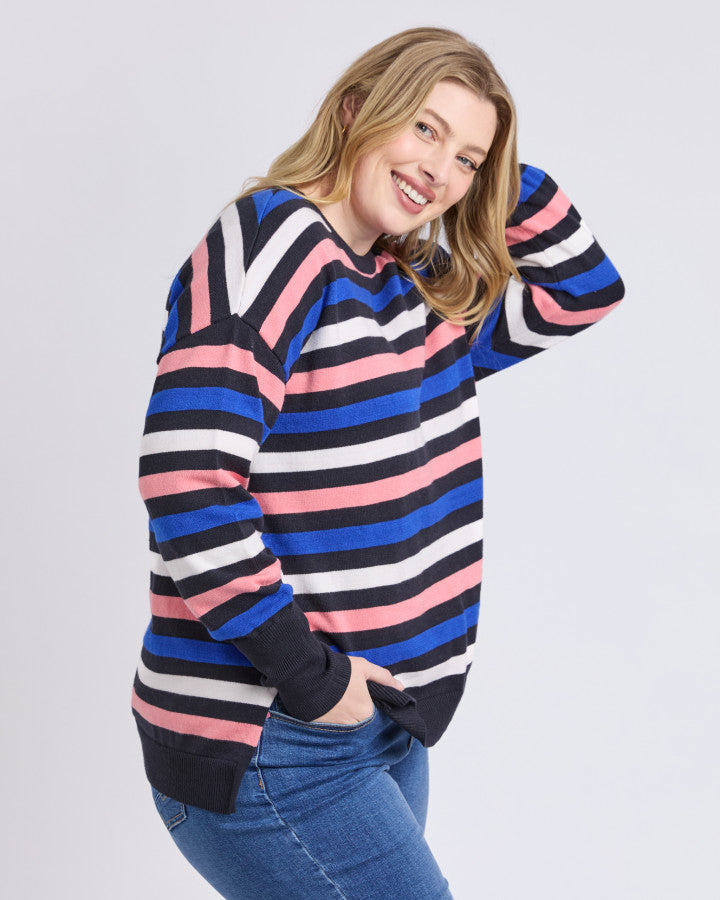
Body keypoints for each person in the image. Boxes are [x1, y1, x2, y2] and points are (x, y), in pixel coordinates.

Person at [132, 26, 624, 900]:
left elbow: (583, 287)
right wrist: (311, 680)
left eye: (468, 159)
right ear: (357, 108)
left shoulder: (414, 283)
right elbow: (187, 478)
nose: (440, 171)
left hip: (382, 722)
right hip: (274, 733)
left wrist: (494, 170)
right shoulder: (273, 243)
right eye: (424, 127)